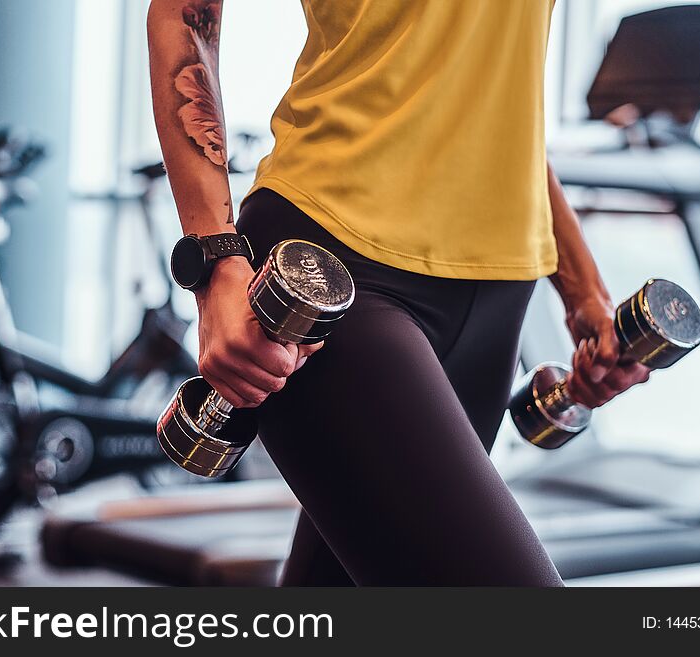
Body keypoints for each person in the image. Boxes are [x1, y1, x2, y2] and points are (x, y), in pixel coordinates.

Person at [147, 0, 650, 585]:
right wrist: (216, 263)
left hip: (497, 295)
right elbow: (184, 14)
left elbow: (491, 101)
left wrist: (584, 292)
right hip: (333, 264)